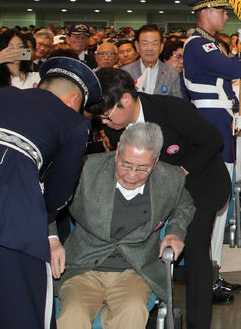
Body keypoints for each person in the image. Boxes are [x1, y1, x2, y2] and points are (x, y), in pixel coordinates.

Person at [88, 67, 236, 323]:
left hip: (198, 182)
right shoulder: (115, 128)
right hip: (153, 189)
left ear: (125, 99)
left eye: (107, 116)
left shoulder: (171, 110)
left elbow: (213, 140)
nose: (105, 123)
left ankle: (198, 323)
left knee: (194, 246)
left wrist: (180, 171)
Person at [0, 56, 100, 329]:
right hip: (8, 229)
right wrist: (46, 216)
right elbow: (59, 192)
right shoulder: (73, 121)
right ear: (73, 100)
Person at [50, 123, 195, 328]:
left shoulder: (171, 178)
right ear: (117, 150)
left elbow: (185, 205)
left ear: (155, 162)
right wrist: (52, 240)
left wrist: (175, 232)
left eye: (142, 168)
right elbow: (45, 202)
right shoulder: (85, 169)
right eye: (125, 164)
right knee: (74, 313)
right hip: (84, 267)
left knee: (133, 310)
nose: (132, 175)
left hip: (135, 270)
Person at [182, 0, 241, 313]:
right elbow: (235, 70)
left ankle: (213, 271)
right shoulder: (198, 44)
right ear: (205, 13)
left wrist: (236, 108)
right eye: (222, 12)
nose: (226, 17)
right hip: (211, 127)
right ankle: (206, 276)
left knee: (221, 205)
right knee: (214, 204)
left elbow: (227, 81)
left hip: (221, 122)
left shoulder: (206, 43)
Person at [121, 24, 183, 99]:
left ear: (161, 47)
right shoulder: (125, 73)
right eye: (144, 44)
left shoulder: (171, 74)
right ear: (137, 46)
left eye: (154, 44)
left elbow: (176, 104)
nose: (149, 49)